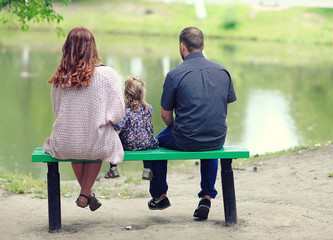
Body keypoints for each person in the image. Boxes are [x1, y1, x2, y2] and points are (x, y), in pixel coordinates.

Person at [147, 27, 237, 220]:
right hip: (217, 136)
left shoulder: (174, 74)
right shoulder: (223, 71)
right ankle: (206, 195)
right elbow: (224, 110)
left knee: (155, 144)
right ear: (203, 45)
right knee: (209, 143)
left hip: (184, 137)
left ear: (182, 47)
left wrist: (175, 127)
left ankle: (159, 195)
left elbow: (165, 115)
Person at [43, 27, 125, 211]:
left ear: (67, 48)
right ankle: (85, 193)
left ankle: (86, 194)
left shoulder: (60, 78)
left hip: (65, 142)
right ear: (92, 48)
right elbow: (118, 113)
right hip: (94, 143)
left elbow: (57, 110)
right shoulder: (107, 75)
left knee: (78, 139)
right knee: (94, 139)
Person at [105, 76, 159, 179]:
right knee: (147, 142)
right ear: (143, 92)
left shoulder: (126, 110)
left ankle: (113, 168)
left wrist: (111, 122)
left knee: (114, 139)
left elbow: (118, 126)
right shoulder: (149, 108)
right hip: (147, 143)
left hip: (129, 144)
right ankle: (147, 169)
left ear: (126, 93)